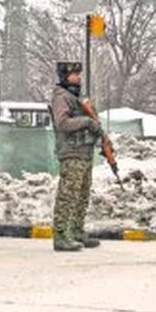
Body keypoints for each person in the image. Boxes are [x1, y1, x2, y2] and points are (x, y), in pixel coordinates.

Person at [49, 61, 105, 252]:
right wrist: (87, 122)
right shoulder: (61, 97)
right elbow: (62, 123)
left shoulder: (75, 97)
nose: (79, 77)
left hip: (84, 151)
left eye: (79, 74)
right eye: (75, 74)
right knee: (68, 195)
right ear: (65, 76)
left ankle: (76, 230)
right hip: (71, 152)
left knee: (81, 194)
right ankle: (61, 235)